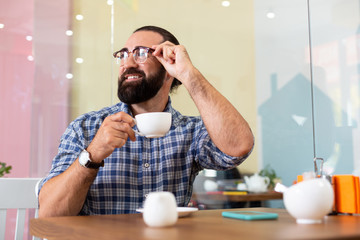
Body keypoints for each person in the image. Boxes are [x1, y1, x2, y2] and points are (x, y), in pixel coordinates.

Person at [38, 25, 254, 217]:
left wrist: (188, 74)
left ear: (169, 68)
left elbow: (239, 148)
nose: (127, 63)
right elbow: (50, 212)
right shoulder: (85, 128)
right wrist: (92, 154)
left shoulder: (190, 131)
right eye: (123, 55)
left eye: (141, 53)